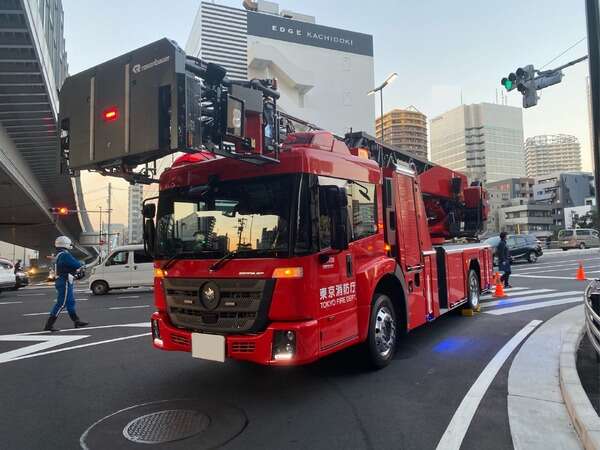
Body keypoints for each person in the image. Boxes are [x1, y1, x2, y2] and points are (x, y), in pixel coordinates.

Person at [43, 236, 88, 332]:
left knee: (70, 302)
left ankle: (76, 321)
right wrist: (82, 264)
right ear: (66, 244)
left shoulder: (58, 255)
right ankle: (49, 325)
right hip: (65, 281)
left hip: (62, 280)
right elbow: (77, 264)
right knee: (61, 303)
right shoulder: (65, 255)